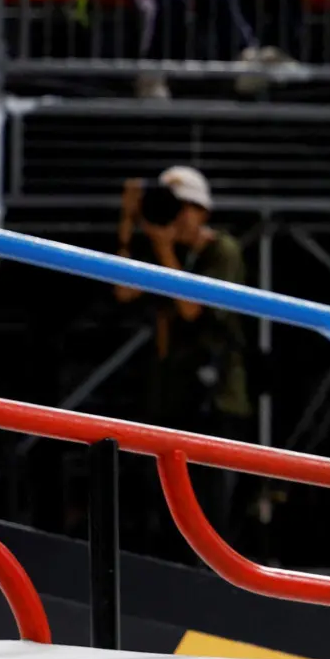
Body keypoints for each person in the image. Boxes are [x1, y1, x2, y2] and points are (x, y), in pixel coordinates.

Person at [115, 166, 254, 547]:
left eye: (183, 208)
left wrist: (162, 248)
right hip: (173, 394)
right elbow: (123, 292)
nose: (176, 218)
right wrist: (129, 224)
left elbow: (193, 310)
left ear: (202, 211)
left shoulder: (221, 250)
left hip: (219, 398)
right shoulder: (166, 251)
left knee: (212, 511)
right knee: (166, 508)